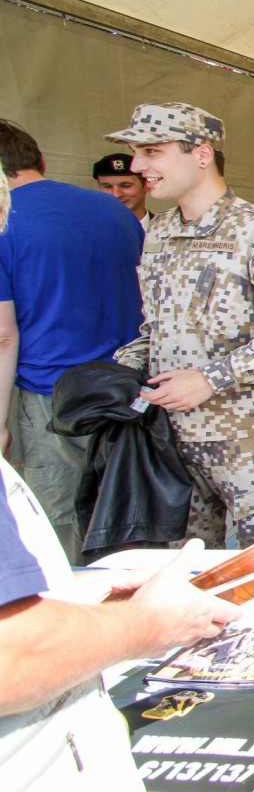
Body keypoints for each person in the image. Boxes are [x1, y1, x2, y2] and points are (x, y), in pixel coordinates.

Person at [0, 164, 241, 791]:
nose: (137, 167)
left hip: (202, 431)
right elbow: (15, 652)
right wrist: (145, 626)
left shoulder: (253, 230)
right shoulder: (131, 224)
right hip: (138, 408)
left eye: (151, 150)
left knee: (68, 525)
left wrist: (77, 596)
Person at [105, 102, 254, 547]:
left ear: (202, 154)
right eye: (136, 153)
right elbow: (159, 328)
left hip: (250, 444)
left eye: (152, 151)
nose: (137, 166)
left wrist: (212, 378)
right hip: (172, 441)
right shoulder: (159, 232)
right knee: (186, 575)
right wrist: (119, 373)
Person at [0, 120, 144, 562]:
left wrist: (0, 422)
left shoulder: (5, 220)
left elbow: (3, 335)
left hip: (51, 395)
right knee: (125, 509)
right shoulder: (116, 211)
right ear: (41, 161)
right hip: (127, 387)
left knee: (58, 522)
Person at [93, 152, 153, 230]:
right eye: (107, 186)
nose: (116, 194)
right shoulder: (89, 230)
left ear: (147, 185)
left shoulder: (165, 229)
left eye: (126, 186)